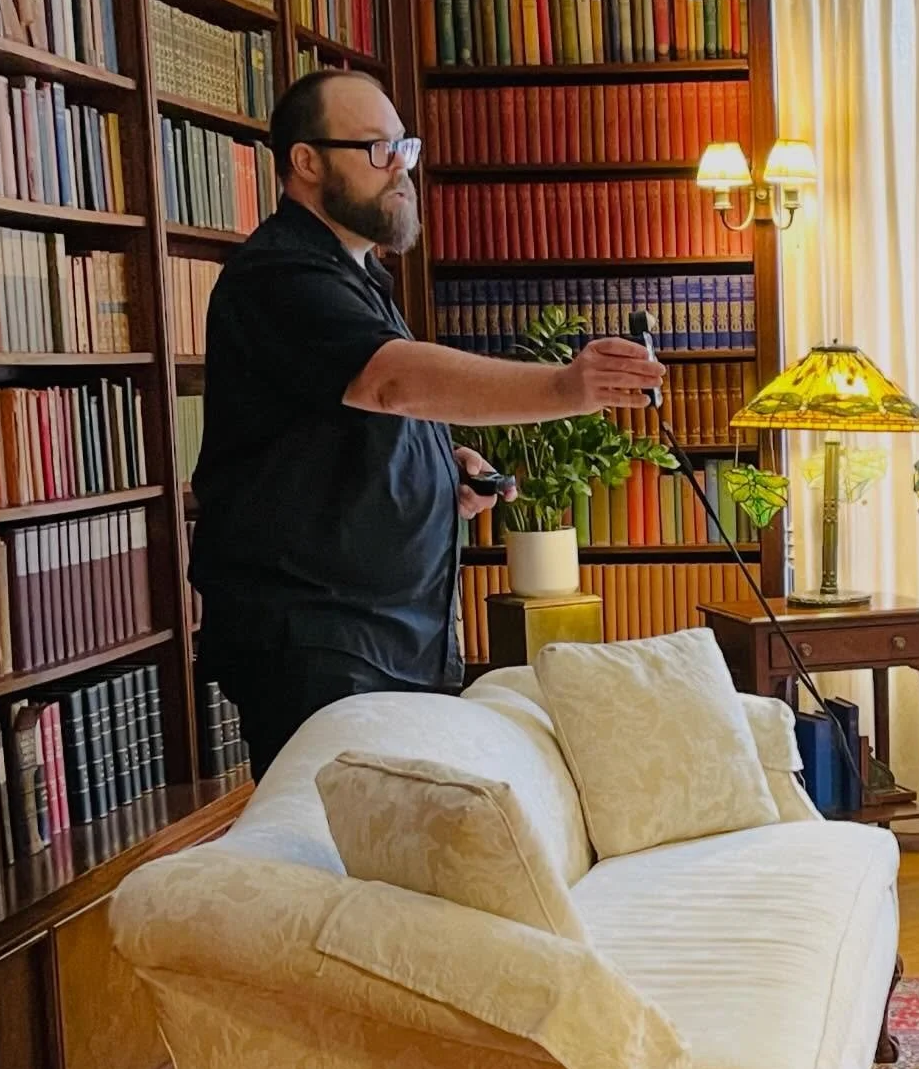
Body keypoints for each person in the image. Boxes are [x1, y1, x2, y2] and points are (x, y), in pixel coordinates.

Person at [189, 67, 663, 780]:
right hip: (321, 641)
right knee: (344, 869)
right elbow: (391, 381)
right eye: (378, 151)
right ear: (307, 162)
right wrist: (568, 385)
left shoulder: (356, 275)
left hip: (386, 635)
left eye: (403, 150)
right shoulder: (279, 275)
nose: (401, 172)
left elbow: (343, 428)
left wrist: (443, 473)